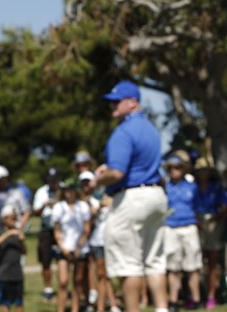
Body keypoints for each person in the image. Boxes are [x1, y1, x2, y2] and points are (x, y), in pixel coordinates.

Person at [93, 79, 168, 312]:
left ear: (133, 103)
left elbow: (117, 173)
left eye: (117, 101)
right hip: (156, 196)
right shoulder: (150, 129)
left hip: (131, 198)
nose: (112, 106)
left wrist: (98, 179)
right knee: (155, 261)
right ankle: (163, 308)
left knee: (128, 265)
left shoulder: (123, 132)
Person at [163, 151, 202, 310]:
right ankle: (173, 302)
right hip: (170, 227)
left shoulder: (193, 187)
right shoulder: (164, 187)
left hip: (189, 227)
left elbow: (198, 206)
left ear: (183, 168)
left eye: (177, 167)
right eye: (171, 167)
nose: (174, 170)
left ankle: (197, 300)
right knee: (173, 267)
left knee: (192, 266)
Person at [80, 171, 121, 312]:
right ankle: (100, 305)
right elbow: (88, 219)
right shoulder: (85, 201)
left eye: (88, 181)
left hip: (110, 239)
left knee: (107, 274)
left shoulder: (109, 194)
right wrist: (97, 209)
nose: (87, 185)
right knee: (100, 274)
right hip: (95, 241)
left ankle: (111, 303)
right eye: (84, 182)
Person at [192, 157, 226, 310]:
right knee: (197, 263)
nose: (202, 173)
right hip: (196, 225)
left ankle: (212, 295)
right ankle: (197, 296)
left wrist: (215, 218)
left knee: (213, 263)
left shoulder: (216, 188)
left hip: (214, 225)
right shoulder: (193, 188)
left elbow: (224, 207)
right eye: (200, 170)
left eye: (205, 170)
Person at [53, 178, 92, 312]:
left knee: (78, 281)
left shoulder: (83, 206)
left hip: (79, 248)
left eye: (70, 190)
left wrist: (79, 246)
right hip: (64, 247)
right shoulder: (59, 207)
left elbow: (87, 229)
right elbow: (57, 230)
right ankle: (61, 309)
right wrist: (63, 247)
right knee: (63, 281)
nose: (68, 193)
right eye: (66, 190)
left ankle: (75, 308)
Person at [32, 166, 60, 303]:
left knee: (63, 260)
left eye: (55, 179)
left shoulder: (64, 190)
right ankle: (48, 289)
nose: (53, 182)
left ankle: (62, 286)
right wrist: (45, 205)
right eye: (50, 179)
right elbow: (35, 212)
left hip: (61, 229)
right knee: (45, 260)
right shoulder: (41, 192)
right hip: (46, 229)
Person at [0, 205, 26, 312]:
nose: (14, 221)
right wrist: (9, 233)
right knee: (5, 301)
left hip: (17, 273)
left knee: (19, 301)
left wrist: (22, 240)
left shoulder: (17, 232)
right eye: (12, 218)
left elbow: (24, 251)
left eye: (15, 218)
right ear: (4, 219)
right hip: (4, 273)